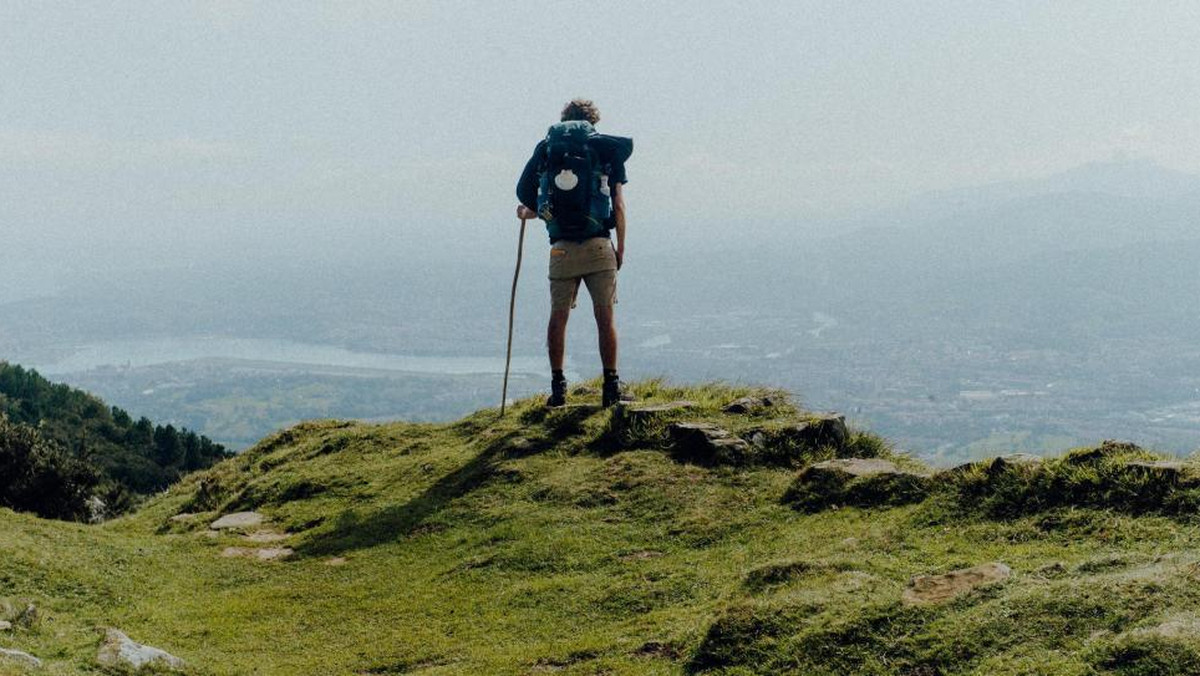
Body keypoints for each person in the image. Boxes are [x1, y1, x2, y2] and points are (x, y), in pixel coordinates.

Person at [515, 99, 633, 408]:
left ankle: (558, 389)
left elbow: (531, 196)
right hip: (598, 244)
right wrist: (620, 248)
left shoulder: (548, 149)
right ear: (593, 121)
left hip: (561, 249)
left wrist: (533, 213)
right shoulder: (606, 149)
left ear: (564, 119)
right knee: (605, 317)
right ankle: (610, 387)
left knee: (558, 318)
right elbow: (618, 205)